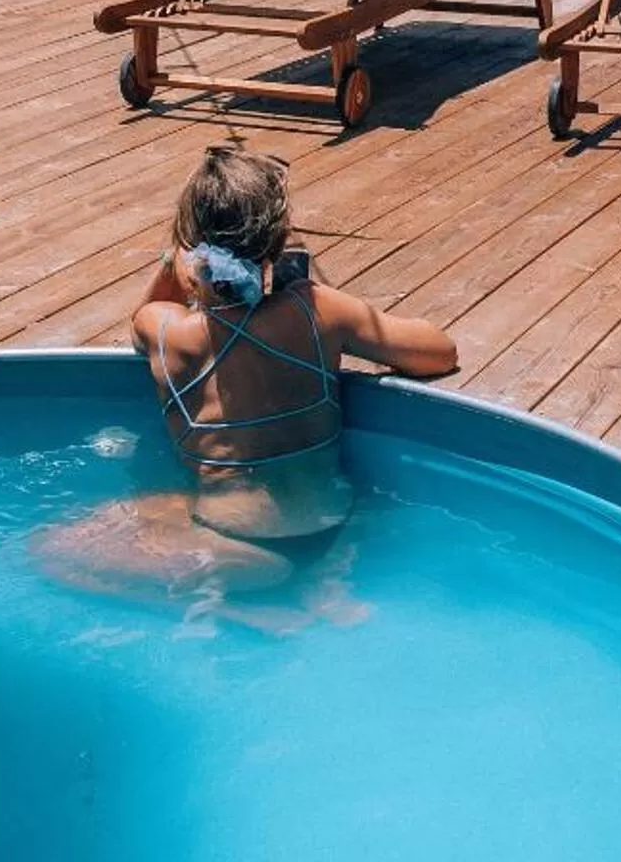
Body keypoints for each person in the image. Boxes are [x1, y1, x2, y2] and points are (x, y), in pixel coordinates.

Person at [34, 145, 458, 610]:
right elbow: (439, 353)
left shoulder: (168, 332)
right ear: (276, 245)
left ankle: (247, 613)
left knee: (50, 550)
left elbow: (144, 315)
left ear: (191, 251)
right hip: (331, 524)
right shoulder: (320, 310)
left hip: (233, 541)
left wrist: (170, 265)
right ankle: (308, 591)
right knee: (168, 504)